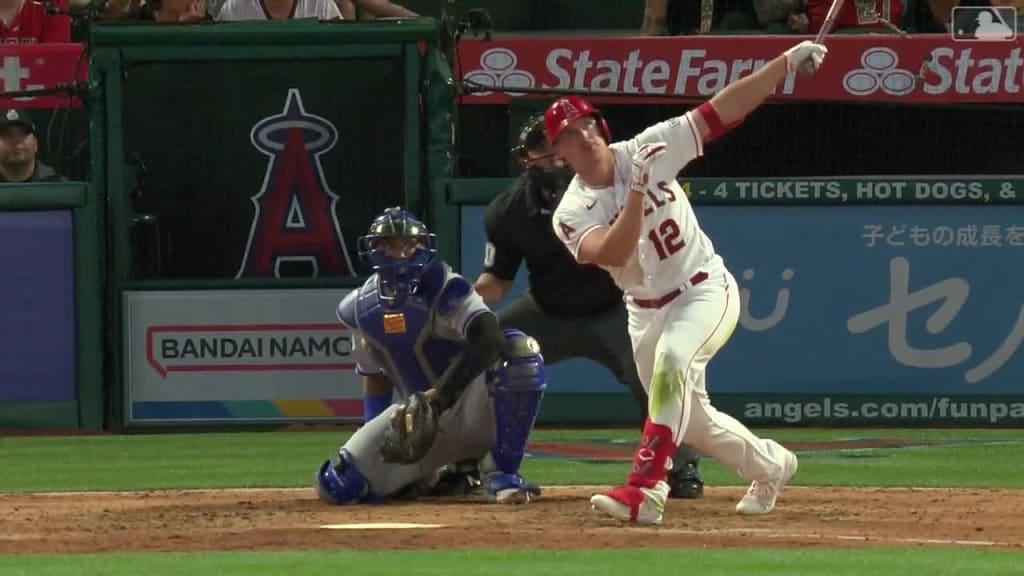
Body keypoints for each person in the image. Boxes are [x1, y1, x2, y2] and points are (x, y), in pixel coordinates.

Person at [547, 40, 827, 524]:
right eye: (570, 133)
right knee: (693, 421)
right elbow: (613, 252)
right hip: (644, 309)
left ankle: (645, 489)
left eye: (588, 123)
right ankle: (772, 464)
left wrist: (784, 63)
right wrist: (637, 190)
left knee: (674, 361)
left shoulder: (647, 147)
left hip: (704, 290)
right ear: (559, 153)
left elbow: (722, 111)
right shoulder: (570, 212)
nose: (585, 134)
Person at [473, 113, 705, 500]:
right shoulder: (507, 210)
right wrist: (460, 296)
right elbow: (497, 280)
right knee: (481, 351)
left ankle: (681, 466)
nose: (555, 162)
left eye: (559, 150)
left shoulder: (608, 184)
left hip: (616, 309)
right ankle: (465, 462)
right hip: (547, 310)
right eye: (543, 154)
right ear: (526, 160)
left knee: (656, 373)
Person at [315, 207, 547, 505]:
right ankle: (436, 475)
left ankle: (500, 472)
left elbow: (489, 336)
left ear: (424, 247)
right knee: (337, 486)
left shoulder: (447, 287)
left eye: (409, 245)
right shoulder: (359, 309)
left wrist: (440, 395)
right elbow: (375, 380)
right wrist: (384, 437)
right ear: (372, 250)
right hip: (418, 421)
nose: (401, 254)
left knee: (519, 352)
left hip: (470, 408)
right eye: (390, 245)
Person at [0, 110, 64, 183]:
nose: (16, 140)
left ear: (35, 144)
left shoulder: (60, 187)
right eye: (7, 134)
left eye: (24, 133)